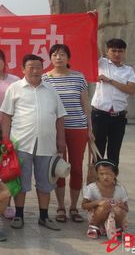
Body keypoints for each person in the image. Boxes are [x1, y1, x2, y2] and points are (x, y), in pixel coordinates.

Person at [1, 54, 67, 231]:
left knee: (45, 182)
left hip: (47, 144)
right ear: (23, 69)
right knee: (21, 182)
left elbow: (60, 117)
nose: (35, 70)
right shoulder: (14, 88)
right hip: (21, 143)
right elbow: (6, 116)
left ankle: (44, 216)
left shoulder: (51, 90)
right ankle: (19, 215)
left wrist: (61, 139)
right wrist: (6, 140)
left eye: (38, 67)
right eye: (31, 67)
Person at [42, 44, 92, 224]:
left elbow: (86, 105)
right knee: (58, 167)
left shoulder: (79, 77)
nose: (58, 58)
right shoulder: (45, 78)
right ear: (50, 58)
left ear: (68, 58)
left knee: (76, 168)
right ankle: (61, 207)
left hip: (78, 128)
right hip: (55, 129)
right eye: (55, 55)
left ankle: (74, 207)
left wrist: (90, 129)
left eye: (62, 54)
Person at [91, 39, 135, 166]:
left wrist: (110, 81)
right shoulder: (101, 63)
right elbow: (93, 46)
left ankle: (111, 177)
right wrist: (92, 30)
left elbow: (131, 89)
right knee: (97, 151)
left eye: (120, 51)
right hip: (100, 115)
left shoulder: (129, 70)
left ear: (124, 52)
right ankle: (95, 177)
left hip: (119, 117)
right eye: (114, 51)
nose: (117, 54)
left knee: (114, 152)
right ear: (107, 51)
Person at [82, 160, 128, 239]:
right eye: (101, 174)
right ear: (97, 175)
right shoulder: (92, 188)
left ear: (115, 174)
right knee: (104, 207)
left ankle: (117, 228)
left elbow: (127, 209)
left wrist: (121, 205)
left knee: (118, 210)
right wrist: (97, 202)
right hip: (97, 216)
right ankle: (94, 227)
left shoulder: (120, 189)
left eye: (109, 174)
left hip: (115, 216)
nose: (105, 177)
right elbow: (84, 205)